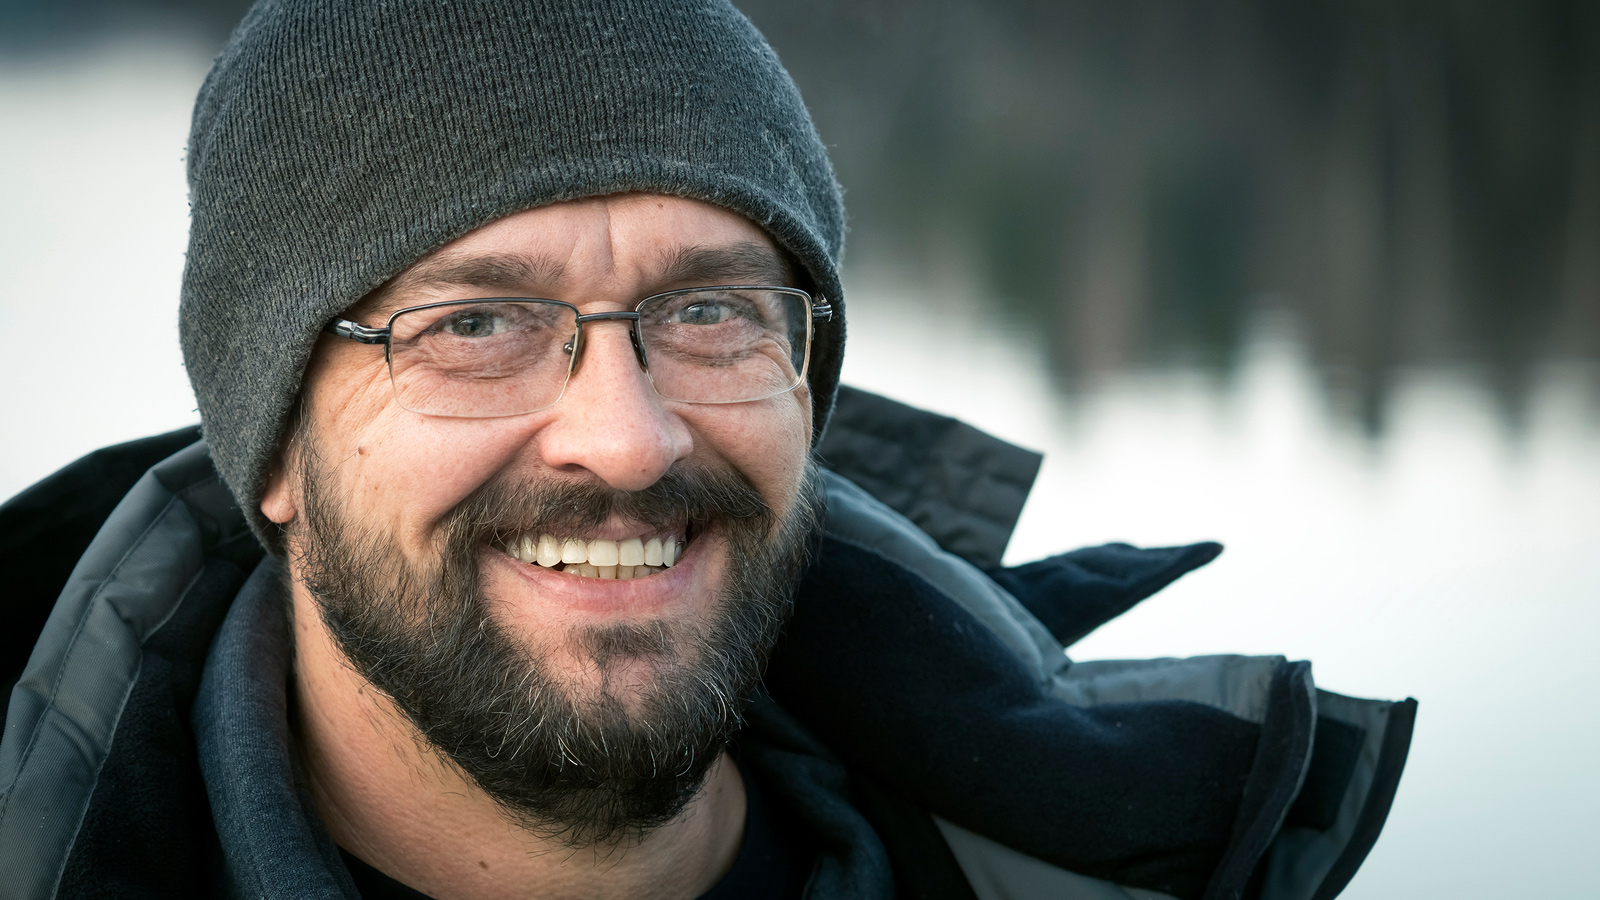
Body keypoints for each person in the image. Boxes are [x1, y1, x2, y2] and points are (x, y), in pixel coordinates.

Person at [0, 2, 1415, 899]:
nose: (623, 435)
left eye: (708, 310)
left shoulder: (1104, 860)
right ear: (275, 448)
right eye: (478, 322)